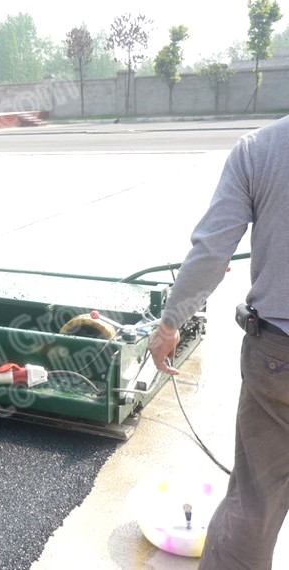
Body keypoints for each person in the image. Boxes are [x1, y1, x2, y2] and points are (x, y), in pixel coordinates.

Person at [148, 115, 289, 569]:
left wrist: (169, 324)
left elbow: (211, 252)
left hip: (279, 357)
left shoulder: (261, 149)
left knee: (255, 501)